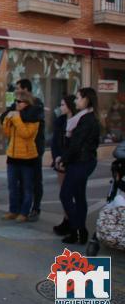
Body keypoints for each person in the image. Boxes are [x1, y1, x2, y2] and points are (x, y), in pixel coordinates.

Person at [56, 88, 100, 245]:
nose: (75, 101)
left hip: (81, 162)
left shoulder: (86, 119)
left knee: (66, 195)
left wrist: (63, 160)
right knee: (79, 196)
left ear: (86, 100)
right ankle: (80, 231)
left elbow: (76, 144)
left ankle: (78, 230)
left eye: (78, 98)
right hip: (82, 161)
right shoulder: (84, 118)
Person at [1, 79, 45, 222]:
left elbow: (26, 134)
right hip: (12, 156)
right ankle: (13, 210)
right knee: (12, 186)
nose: (16, 104)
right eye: (15, 101)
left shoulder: (33, 117)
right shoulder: (15, 115)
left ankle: (25, 212)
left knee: (27, 187)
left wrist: (17, 119)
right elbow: (7, 132)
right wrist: (8, 120)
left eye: (19, 102)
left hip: (27, 157)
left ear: (26, 103)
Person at [51, 94, 76, 236]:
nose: (60, 107)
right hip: (60, 161)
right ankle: (67, 220)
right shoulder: (60, 121)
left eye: (63, 105)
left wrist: (65, 159)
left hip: (73, 162)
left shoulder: (78, 121)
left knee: (72, 193)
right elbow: (55, 142)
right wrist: (56, 158)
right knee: (64, 193)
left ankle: (73, 222)